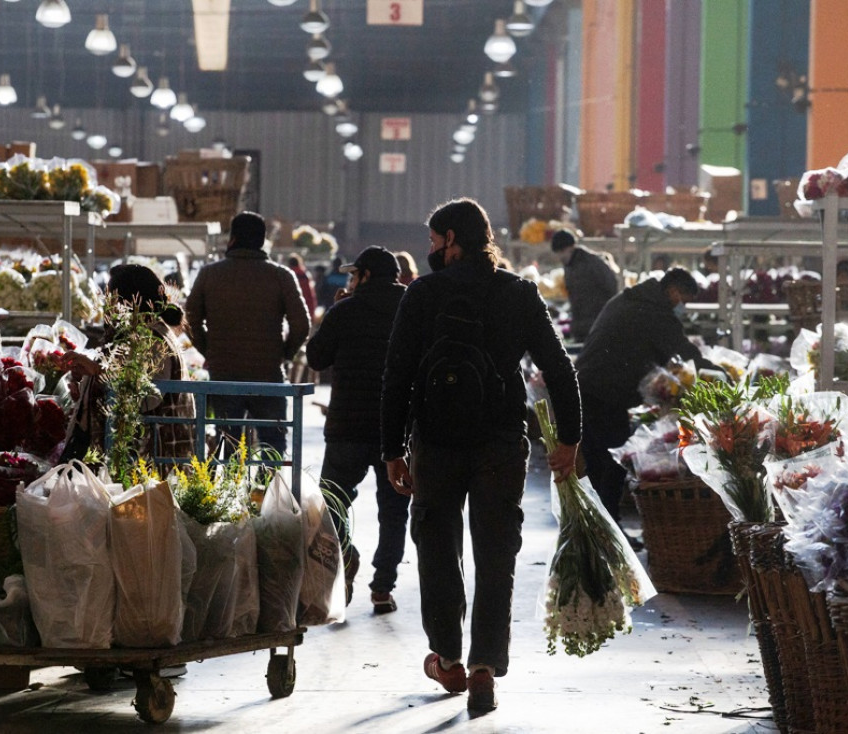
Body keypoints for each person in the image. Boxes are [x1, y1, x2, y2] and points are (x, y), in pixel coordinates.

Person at [381, 197, 580, 713]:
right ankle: (484, 666)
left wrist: (392, 448)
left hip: (436, 444)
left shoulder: (422, 294)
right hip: (499, 443)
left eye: (433, 241)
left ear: (453, 241)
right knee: (496, 554)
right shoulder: (518, 293)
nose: (429, 252)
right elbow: (558, 369)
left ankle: (446, 658)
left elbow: (397, 377)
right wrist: (569, 438)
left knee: (437, 548)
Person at [573, 268, 722, 524]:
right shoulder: (655, 312)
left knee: (597, 461)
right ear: (674, 291)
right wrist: (720, 372)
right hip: (605, 391)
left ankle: (597, 528)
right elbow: (683, 352)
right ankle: (608, 528)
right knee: (613, 460)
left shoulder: (628, 299)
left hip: (587, 385)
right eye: (683, 300)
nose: (682, 307)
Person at [306, 246, 409, 613]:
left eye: (354, 275)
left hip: (347, 424)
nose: (350, 280)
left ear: (364, 276)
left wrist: (333, 315)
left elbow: (316, 357)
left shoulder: (345, 310)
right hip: (395, 431)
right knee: (394, 509)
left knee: (332, 505)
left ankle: (340, 566)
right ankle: (383, 588)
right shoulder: (410, 308)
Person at [185, 211, 310, 461]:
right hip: (268, 375)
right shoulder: (281, 275)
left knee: (228, 442)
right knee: (272, 444)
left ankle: (230, 496)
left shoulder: (210, 275)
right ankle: (267, 494)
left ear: (232, 239)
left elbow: (189, 320)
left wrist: (210, 351)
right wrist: (283, 354)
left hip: (224, 374)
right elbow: (302, 325)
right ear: (263, 241)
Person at [63, 263, 196, 466]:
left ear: (128, 300)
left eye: (110, 297)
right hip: (132, 455)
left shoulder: (153, 338)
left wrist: (98, 371)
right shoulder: (138, 334)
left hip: (146, 459)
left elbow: (146, 396)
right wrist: (88, 380)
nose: (106, 304)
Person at [550, 228, 619, 341]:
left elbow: (612, 287)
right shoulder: (570, 266)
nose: (560, 256)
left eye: (562, 251)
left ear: (571, 247)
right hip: (582, 327)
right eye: (558, 253)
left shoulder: (592, 262)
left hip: (597, 325)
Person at [287, 253, 318, 320]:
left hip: (290, 310)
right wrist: (312, 313)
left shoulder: (286, 275)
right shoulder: (305, 275)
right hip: (304, 308)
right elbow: (310, 295)